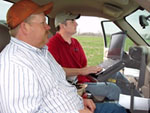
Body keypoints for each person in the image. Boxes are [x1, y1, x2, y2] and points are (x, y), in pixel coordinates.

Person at [0, 0, 127, 113]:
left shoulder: (42, 52)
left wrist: (80, 100)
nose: (48, 27)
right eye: (43, 23)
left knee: (119, 109)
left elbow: (61, 85)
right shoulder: (14, 64)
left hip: (78, 105)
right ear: (25, 27)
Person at [47, 12, 126, 100]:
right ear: (62, 25)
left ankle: (137, 103)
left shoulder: (75, 42)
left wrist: (93, 70)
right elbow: (54, 71)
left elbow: (83, 66)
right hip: (74, 85)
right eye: (72, 21)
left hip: (85, 79)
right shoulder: (52, 44)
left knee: (116, 73)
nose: (76, 24)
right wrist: (81, 71)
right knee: (112, 89)